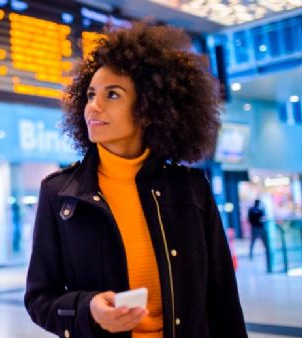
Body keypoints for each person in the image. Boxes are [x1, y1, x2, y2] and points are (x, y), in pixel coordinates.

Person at [24, 22, 247, 338]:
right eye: (90, 94)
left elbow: (222, 298)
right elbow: (39, 299)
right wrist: (89, 309)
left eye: (112, 94)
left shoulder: (191, 189)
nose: (93, 107)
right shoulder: (60, 193)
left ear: (149, 108)